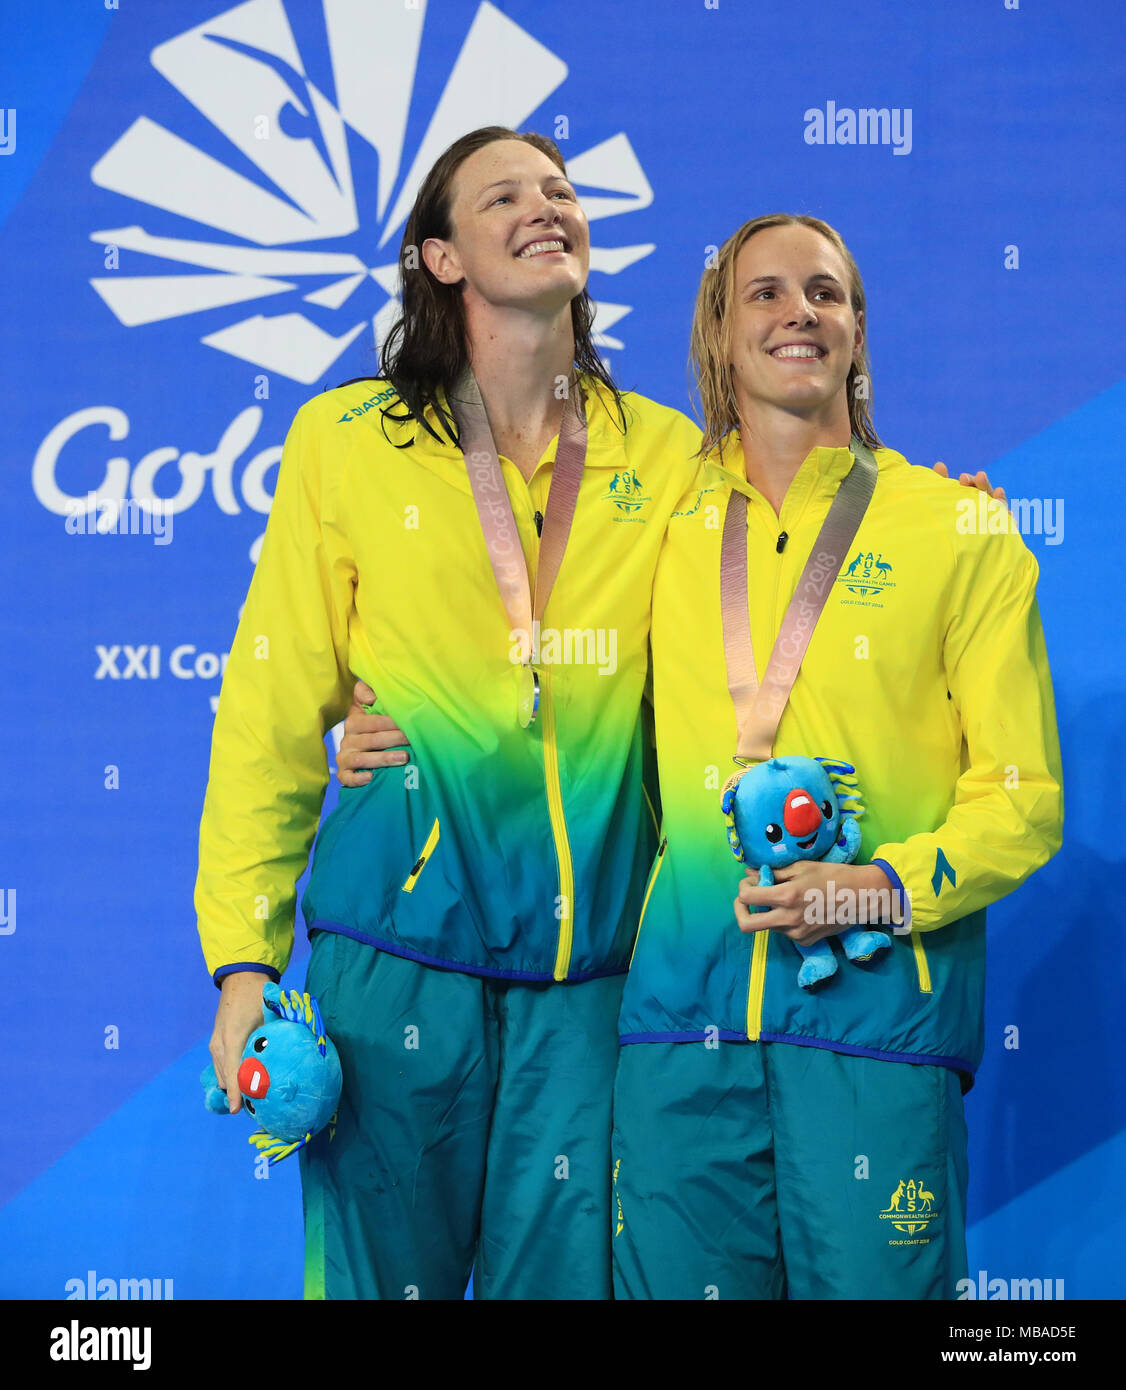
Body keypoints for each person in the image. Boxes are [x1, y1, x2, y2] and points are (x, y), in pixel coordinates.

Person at [195, 125, 702, 1300]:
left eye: (560, 190)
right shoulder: (347, 439)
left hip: (587, 974)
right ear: (439, 257)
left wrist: (919, 515)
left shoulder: (667, 455)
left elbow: (776, 574)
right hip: (394, 958)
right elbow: (272, 706)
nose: (546, 206)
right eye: (504, 196)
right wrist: (242, 959)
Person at [609, 212, 1064, 1299]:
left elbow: (1021, 799)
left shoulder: (959, 532)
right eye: (762, 293)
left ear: (858, 332)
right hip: (681, 1033)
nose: (798, 311)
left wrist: (873, 891)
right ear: (718, 335)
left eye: (826, 292)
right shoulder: (652, 529)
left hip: (876, 1029)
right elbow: (524, 676)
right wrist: (364, 707)